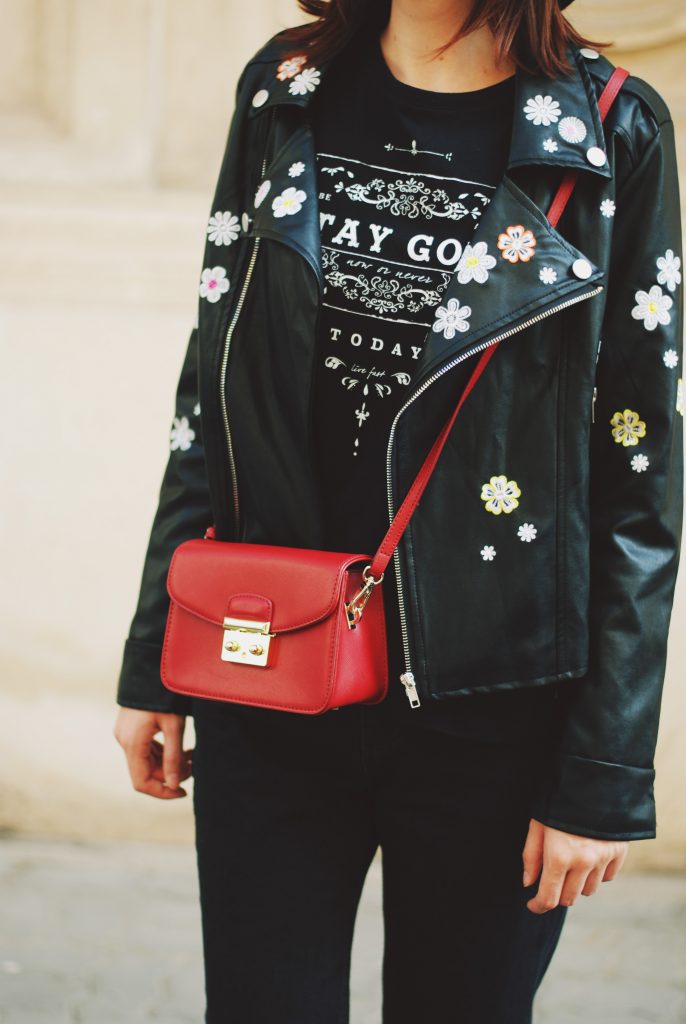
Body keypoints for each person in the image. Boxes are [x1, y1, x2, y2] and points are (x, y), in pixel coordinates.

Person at [113, 0, 684, 1020]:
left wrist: (601, 769)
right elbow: (214, 386)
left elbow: (637, 473)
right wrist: (158, 648)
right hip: (269, 667)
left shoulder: (608, 130)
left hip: (494, 707)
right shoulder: (285, 90)